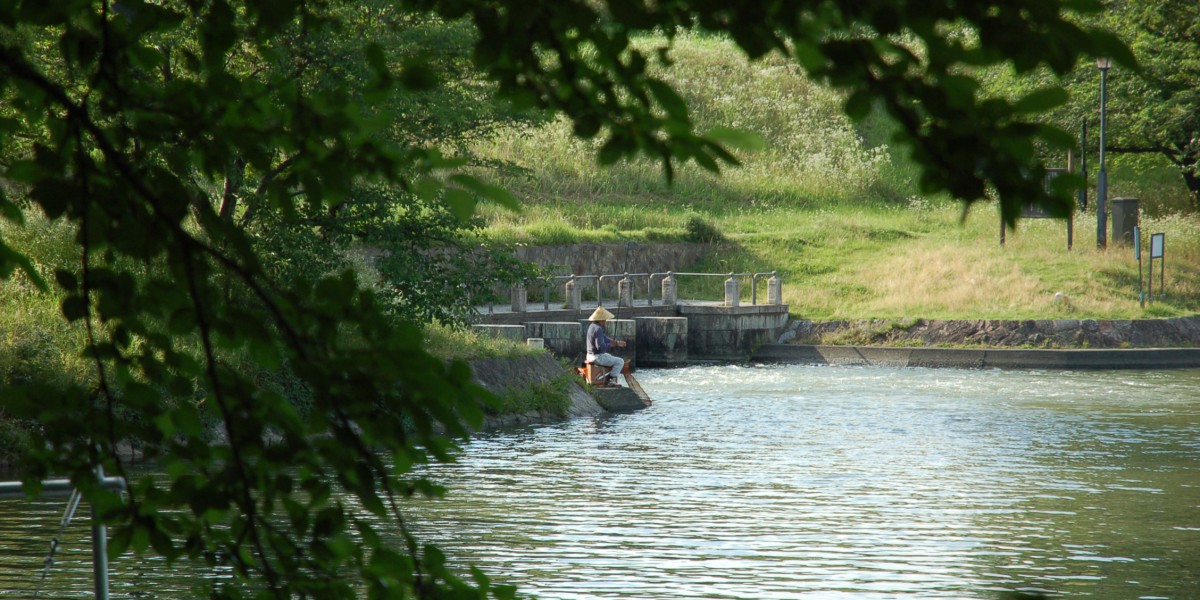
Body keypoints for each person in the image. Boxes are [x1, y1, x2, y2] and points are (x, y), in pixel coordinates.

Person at [586, 306, 627, 387]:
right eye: (604, 319)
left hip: (589, 355)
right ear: (600, 319)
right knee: (620, 361)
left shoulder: (592, 326)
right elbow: (600, 347)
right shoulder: (598, 329)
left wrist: (617, 343)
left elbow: (605, 338)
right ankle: (611, 380)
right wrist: (611, 345)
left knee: (610, 356)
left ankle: (607, 377)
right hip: (597, 357)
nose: (605, 321)